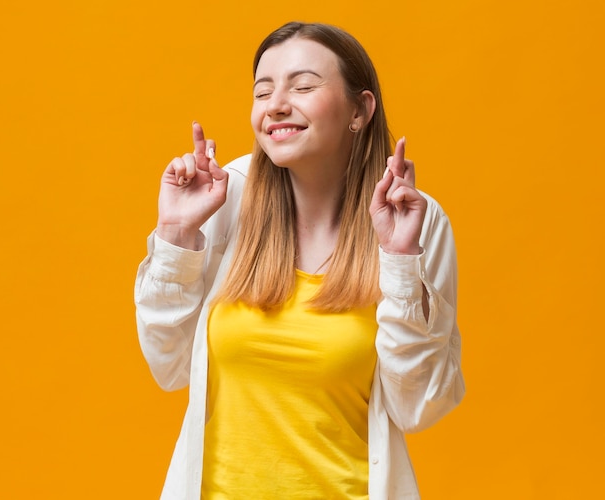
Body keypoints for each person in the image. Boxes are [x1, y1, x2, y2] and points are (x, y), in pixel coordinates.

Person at [135, 21, 465, 500]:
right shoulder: (227, 198)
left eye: (304, 86)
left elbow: (419, 407)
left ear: (360, 109)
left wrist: (399, 262)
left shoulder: (413, 219)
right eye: (262, 91)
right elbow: (169, 366)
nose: (276, 105)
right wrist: (176, 235)